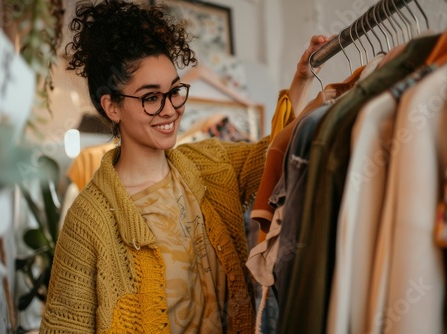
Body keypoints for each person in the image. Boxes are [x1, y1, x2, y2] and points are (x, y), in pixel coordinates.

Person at [39, 0, 329, 333]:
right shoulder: (88, 222)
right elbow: (63, 327)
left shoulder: (209, 165)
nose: (170, 109)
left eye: (174, 91)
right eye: (151, 97)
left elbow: (274, 157)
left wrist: (302, 79)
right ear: (112, 107)